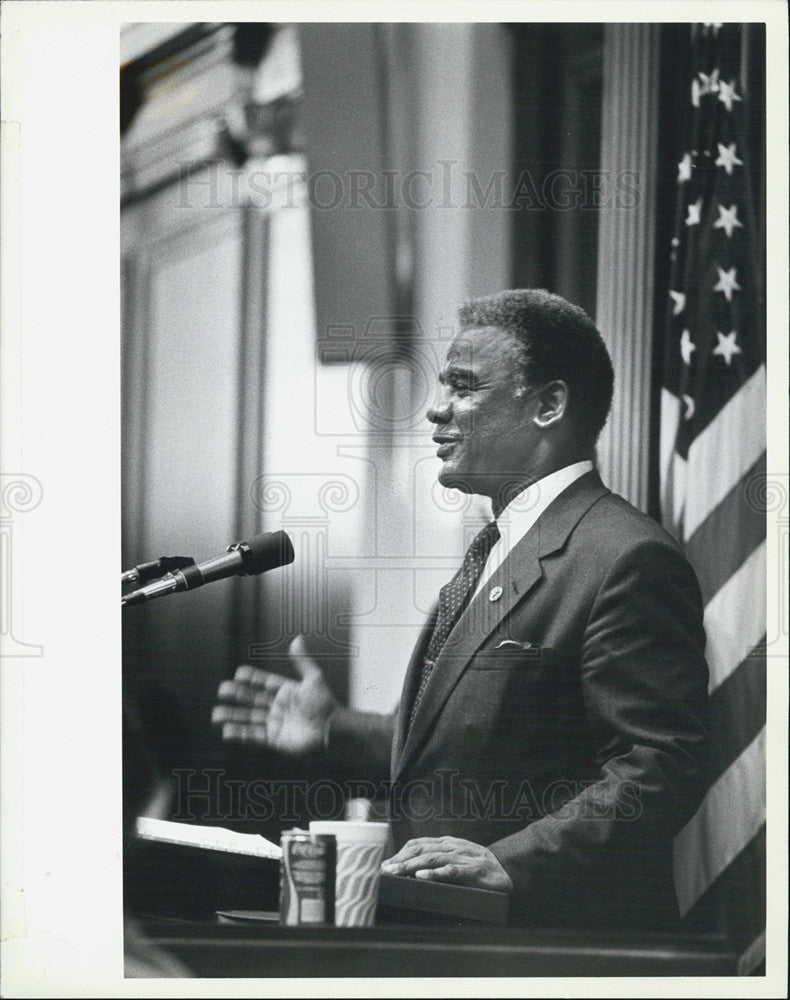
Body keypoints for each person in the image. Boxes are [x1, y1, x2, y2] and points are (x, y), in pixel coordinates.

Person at [212, 288, 710, 929]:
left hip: (546, 952)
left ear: (549, 405)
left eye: (463, 388)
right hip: (440, 935)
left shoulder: (625, 556)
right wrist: (335, 728)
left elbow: (662, 764)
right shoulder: (501, 546)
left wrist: (511, 863)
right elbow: (474, 741)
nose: (436, 411)